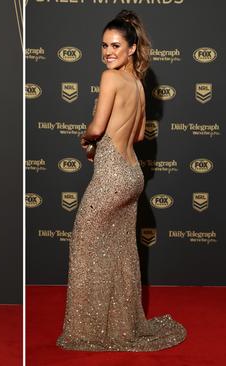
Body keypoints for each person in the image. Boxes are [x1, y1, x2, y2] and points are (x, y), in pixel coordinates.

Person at [57, 10, 186, 351]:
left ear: (131, 48)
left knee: (83, 244)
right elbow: (140, 133)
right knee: (120, 253)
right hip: (133, 175)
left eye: (116, 45)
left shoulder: (110, 78)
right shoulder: (139, 86)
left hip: (113, 175)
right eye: (103, 45)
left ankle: (87, 331)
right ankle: (120, 324)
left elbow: (98, 128)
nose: (108, 52)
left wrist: (85, 139)